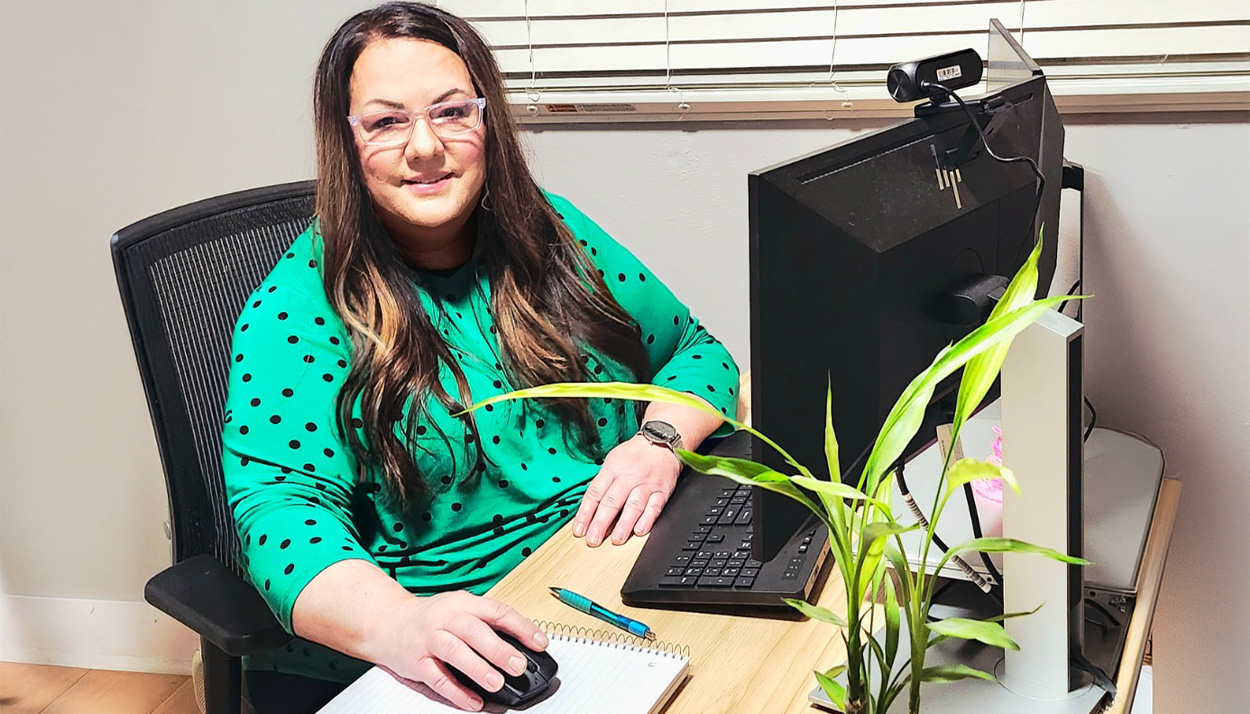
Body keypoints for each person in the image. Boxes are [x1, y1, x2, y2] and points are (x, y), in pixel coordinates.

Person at [221, 3, 739, 712]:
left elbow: (694, 350)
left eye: (451, 112)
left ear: (485, 119)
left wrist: (656, 442)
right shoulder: (297, 310)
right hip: (445, 643)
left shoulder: (551, 233)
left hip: (597, 577)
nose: (426, 146)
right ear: (344, 142)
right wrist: (403, 625)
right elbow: (280, 521)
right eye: (386, 121)